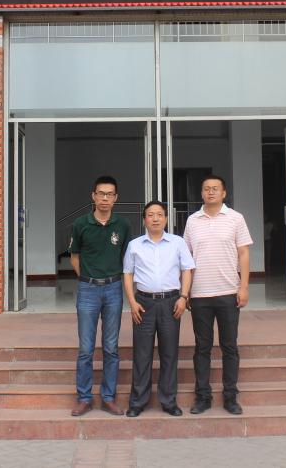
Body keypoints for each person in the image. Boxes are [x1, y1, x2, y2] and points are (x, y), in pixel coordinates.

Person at [183, 174, 253, 415]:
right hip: (200, 294)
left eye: (215, 188)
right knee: (202, 347)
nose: (210, 192)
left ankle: (230, 396)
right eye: (206, 188)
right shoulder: (192, 221)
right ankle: (203, 396)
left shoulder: (235, 218)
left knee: (229, 346)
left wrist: (244, 287)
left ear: (224, 193)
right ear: (201, 193)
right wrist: (186, 292)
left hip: (228, 292)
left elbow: (243, 254)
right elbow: (187, 259)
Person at [122, 201, 195, 418]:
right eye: (150, 215)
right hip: (143, 304)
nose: (155, 218)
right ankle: (138, 401)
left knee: (169, 353)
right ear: (144, 219)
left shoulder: (177, 243)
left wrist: (183, 297)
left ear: (166, 218)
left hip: (171, 302)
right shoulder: (135, 245)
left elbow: (187, 269)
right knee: (142, 354)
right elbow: (127, 274)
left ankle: (169, 401)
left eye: (160, 214)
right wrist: (132, 302)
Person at [68, 175, 131, 416]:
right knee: (86, 348)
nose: (105, 198)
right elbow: (75, 257)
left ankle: (108, 397)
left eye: (109, 194)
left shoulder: (122, 225)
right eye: (101, 194)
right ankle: (84, 398)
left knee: (111, 347)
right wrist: (88, 279)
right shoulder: (80, 224)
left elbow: (126, 257)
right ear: (93, 196)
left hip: (114, 289)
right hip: (88, 290)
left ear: (116, 198)